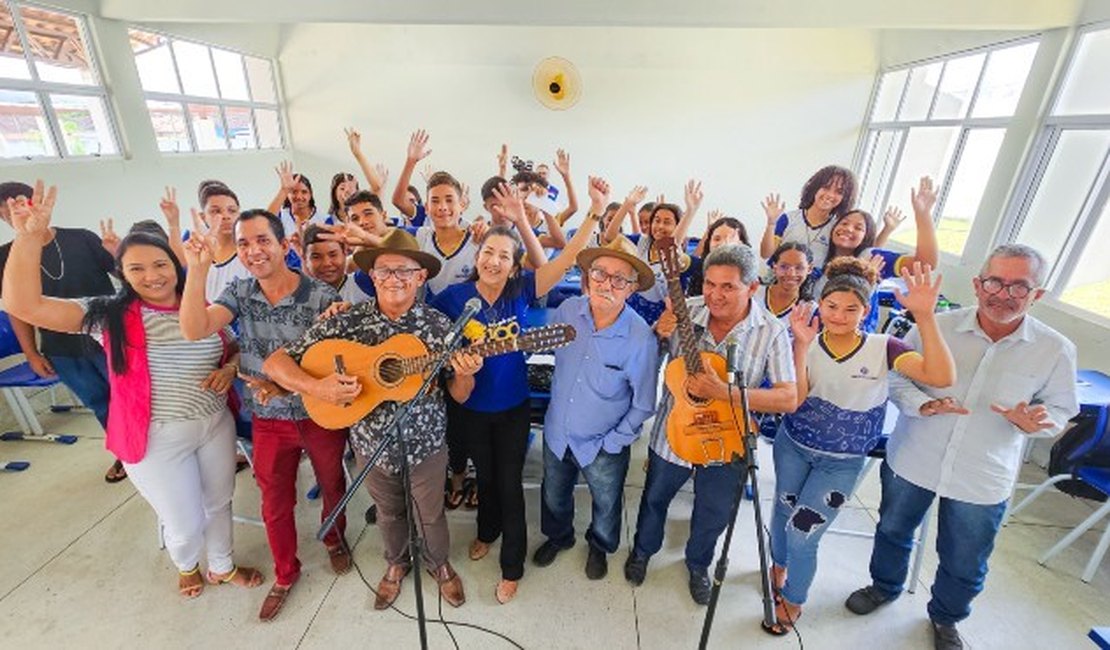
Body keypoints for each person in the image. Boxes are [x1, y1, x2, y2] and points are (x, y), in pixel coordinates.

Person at [2, 181, 263, 599]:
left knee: (220, 502)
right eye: (136, 268)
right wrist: (29, 238)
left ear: (174, 264)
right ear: (121, 273)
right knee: (184, 521)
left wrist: (231, 367)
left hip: (214, 423)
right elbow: (25, 305)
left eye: (159, 265)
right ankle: (186, 564)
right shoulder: (108, 316)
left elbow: (233, 349)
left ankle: (223, 566)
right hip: (154, 435)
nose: (151, 276)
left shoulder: (203, 308)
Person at [844, 244, 1079, 650]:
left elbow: (1060, 408)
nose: (1003, 294)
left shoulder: (1055, 349)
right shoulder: (936, 326)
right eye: (995, 281)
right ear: (977, 283)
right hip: (915, 455)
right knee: (893, 529)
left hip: (983, 473)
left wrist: (1039, 422)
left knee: (965, 558)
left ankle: (946, 618)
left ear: (1037, 294)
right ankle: (884, 586)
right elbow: (897, 378)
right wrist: (923, 403)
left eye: (1019, 287)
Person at [261, 228, 483, 610]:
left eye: (404, 271)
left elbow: (460, 395)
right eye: (384, 271)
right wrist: (319, 389)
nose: (394, 279)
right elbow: (275, 363)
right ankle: (396, 564)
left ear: (421, 277)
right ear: (372, 277)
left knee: (430, 514)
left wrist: (465, 372)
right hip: (369, 445)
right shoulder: (346, 321)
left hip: (427, 445)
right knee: (388, 512)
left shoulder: (439, 327)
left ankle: (438, 564)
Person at [431, 176, 610, 604]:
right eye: (488, 252)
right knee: (486, 478)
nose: (494, 261)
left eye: (503, 256)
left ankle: (512, 566)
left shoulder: (519, 292)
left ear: (514, 265)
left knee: (508, 484)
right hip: (470, 407)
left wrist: (595, 212)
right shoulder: (453, 300)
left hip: (513, 408)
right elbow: (432, 351)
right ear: (478, 257)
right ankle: (486, 531)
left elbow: (566, 258)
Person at [765, 257, 955, 635]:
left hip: (842, 461)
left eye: (851, 309)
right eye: (831, 306)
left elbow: (941, 376)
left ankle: (795, 597)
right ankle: (778, 564)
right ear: (819, 304)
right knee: (783, 510)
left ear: (866, 311)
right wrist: (802, 346)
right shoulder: (805, 341)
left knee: (805, 529)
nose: (839, 315)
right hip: (794, 444)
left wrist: (927, 317)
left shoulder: (885, 347)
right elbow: (796, 401)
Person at [179, 209, 350, 622]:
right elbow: (194, 327)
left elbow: (334, 365)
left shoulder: (322, 298)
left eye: (262, 240)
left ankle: (334, 539)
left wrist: (291, 382)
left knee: (332, 482)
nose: (253, 251)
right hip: (268, 416)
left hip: (318, 414)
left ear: (284, 244)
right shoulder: (239, 293)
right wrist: (197, 270)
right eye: (243, 243)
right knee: (274, 501)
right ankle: (286, 573)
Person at [626, 243, 797, 605]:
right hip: (673, 435)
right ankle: (642, 551)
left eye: (728, 287)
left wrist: (726, 392)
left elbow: (788, 397)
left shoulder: (772, 331)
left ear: (752, 288)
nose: (715, 295)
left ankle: (699, 564)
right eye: (709, 284)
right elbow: (643, 363)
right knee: (654, 499)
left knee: (714, 511)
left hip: (728, 440)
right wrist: (657, 334)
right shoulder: (684, 313)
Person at [532, 223, 660, 588]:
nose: (607, 283)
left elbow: (644, 403)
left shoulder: (639, 338)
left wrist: (614, 442)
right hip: (558, 431)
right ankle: (559, 536)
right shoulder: (569, 309)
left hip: (604, 442)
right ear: (587, 277)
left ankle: (600, 546)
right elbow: (543, 348)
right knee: (553, 494)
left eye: (620, 279)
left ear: (633, 288)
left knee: (605, 504)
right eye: (600, 273)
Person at [0, 180, 119, 482]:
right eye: (5, 208)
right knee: (99, 402)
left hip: (110, 337)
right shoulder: (6, 257)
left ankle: (151, 453)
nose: (13, 211)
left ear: (38, 203)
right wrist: (31, 352)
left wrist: (118, 255)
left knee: (128, 397)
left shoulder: (81, 239)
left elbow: (126, 277)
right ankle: (123, 454)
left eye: (21, 202)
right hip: (61, 348)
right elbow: (17, 309)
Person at [817, 177, 940, 332]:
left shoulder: (871, 257)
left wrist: (923, 215)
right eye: (844, 223)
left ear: (866, 237)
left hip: (857, 344)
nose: (848, 229)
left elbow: (925, 264)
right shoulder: (819, 255)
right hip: (817, 340)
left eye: (858, 228)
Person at [601, 180, 704, 324]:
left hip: (660, 316)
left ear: (677, 226)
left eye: (667, 222)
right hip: (632, 307)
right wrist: (627, 205)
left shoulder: (676, 254)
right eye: (656, 220)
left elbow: (673, 246)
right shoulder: (642, 242)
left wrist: (690, 211)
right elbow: (610, 236)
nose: (660, 226)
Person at [396, 131, 479, 299]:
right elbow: (398, 201)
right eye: (435, 201)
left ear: (462, 204)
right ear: (426, 207)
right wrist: (411, 161)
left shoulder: (477, 238)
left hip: (469, 322)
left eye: (449, 200)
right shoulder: (421, 236)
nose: (442, 207)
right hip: (430, 322)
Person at [759, 165, 857, 265]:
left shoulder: (836, 228)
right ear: (815, 187)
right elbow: (765, 254)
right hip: (778, 278)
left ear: (845, 198)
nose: (830, 195)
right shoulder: (788, 219)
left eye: (839, 192)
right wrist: (771, 224)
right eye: (826, 187)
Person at [267, 161, 329, 270]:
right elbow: (265, 219)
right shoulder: (282, 216)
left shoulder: (324, 219)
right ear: (288, 195)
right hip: (288, 271)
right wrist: (284, 189)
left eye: (304, 192)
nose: (299, 196)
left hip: (317, 270)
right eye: (294, 192)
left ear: (310, 195)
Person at [301, 224, 374, 304]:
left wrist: (368, 239)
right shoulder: (299, 298)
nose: (326, 263)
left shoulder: (364, 281)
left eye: (333, 255)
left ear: (345, 252)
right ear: (305, 259)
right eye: (316, 257)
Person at [687, 216, 751, 296]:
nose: (722, 243)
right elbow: (677, 258)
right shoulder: (699, 265)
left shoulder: (746, 270)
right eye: (717, 239)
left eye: (729, 239)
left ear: (741, 244)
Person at [755, 242, 815, 324]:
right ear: (774, 266)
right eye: (784, 267)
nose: (791, 274)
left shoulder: (811, 310)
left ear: (809, 269)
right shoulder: (754, 294)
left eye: (799, 268)